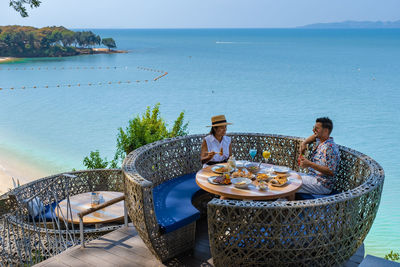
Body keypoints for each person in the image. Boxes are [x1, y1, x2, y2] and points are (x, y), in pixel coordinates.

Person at [297, 117, 340, 195]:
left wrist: (309, 164)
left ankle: (281, 204)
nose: (313, 130)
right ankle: (283, 203)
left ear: (326, 130)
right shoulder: (321, 140)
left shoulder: (329, 148)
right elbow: (314, 136)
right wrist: (304, 143)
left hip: (322, 185)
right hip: (312, 177)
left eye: (316, 129)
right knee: (289, 175)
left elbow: (331, 172)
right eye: (313, 127)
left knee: (291, 182)